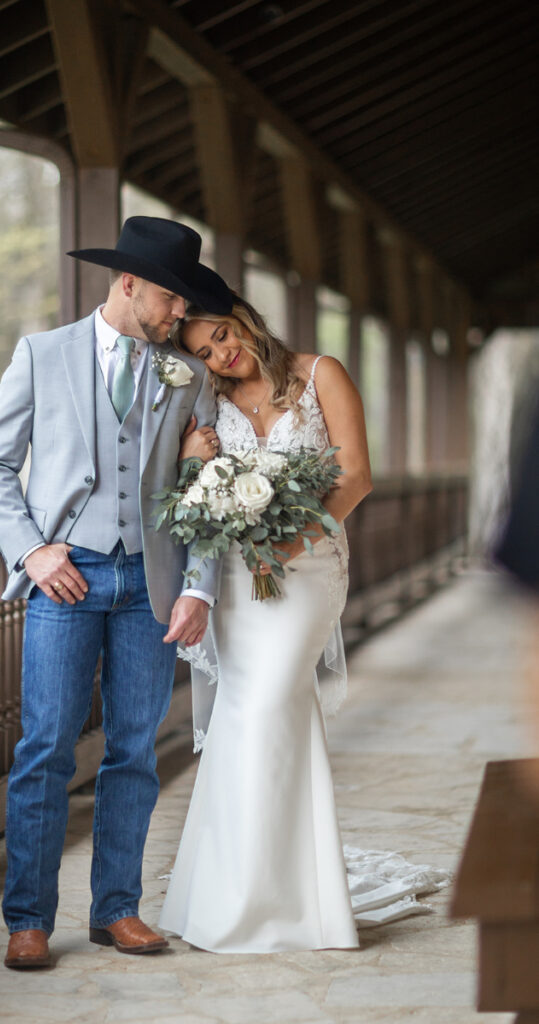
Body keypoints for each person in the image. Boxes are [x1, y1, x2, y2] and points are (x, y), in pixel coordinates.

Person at [0, 216, 231, 969]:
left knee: (134, 754)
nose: (180, 313)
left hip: (149, 586)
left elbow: (209, 491)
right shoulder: (41, 354)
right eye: (171, 298)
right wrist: (33, 548)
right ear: (127, 283)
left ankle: (117, 909)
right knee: (46, 748)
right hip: (66, 578)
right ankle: (28, 919)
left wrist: (198, 590)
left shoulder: (188, 375)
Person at [159, 293, 373, 952]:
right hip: (233, 576)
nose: (221, 354)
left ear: (245, 321)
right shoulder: (206, 400)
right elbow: (180, 485)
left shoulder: (319, 374)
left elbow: (356, 474)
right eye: (203, 352)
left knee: (269, 703)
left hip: (306, 568)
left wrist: (287, 539)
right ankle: (247, 894)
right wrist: (194, 464)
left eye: (223, 336)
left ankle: (271, 898)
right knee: (249, 715)